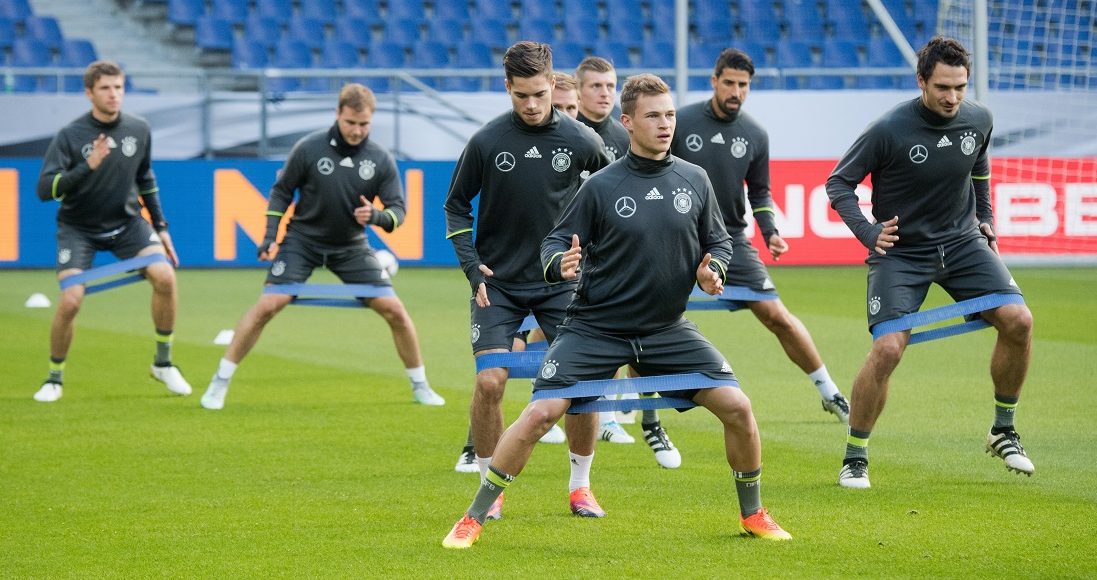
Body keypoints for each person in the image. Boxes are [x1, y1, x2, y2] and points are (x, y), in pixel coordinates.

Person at [443, 74, 792, 549]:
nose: (665, 124)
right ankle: (474, 516)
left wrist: (715, 270)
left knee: (738, 407)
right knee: (541, 412)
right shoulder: (601, 186)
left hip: (666, 330)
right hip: (595, 329)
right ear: (626, 122)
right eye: (653, 116)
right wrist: (558, 263)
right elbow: (553, 241)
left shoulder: (695, 179)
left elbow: (719, 241)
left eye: (669, 115)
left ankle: (753, 514)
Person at [825, 37, 1034, 489]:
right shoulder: (887, 129)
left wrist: (985, 217)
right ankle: (855, 456)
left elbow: (979, 167)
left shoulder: (979, 118)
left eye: (960, 87)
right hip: (902, 253)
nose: (953, 97)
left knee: (1019, 321)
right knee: (887, 349)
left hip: (962, 244)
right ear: (921, 81)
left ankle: (1003, 429)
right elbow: (838, 184)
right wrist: (868, 233)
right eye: (942, 87)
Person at [444, 41, 612, 519]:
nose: (533, 105)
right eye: (522, 96)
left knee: (581, 383)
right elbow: (456, 205)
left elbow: (615, 194)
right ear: (507, 88)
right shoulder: (486, 141)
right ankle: (490, 489)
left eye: (540, 94)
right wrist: (470, 264)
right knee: (490, 381)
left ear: (553, 83)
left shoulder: (581, 140)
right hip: (496, 284)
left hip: (560, 284)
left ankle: (580, 487)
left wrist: (599, 258)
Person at [199, 83, 444, 410]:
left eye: (364, 124)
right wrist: (270, 237)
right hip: (302, 242)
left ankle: (420, 386)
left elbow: (398, 211)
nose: (357, 130)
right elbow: (281, 192)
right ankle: (220, 382)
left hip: (351, 247)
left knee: (395, 311)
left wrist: (377, 216)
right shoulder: (309, 148)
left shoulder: (380, 158)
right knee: (268, 305)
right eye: (350, 122)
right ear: (338, 114)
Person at [672, 48, 851, 423]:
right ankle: (640, 410)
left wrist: (770, 232)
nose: (736, 91)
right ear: (714, 81)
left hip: (730, 241)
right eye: (729, 83)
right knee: (649, 313)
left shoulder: (754, 134)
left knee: (777, 315)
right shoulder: (681, 122)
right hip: (678, 238)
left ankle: (829, 391)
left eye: (743, 85)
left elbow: (759, 192)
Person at [33, 60, 190, 402]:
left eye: (118, 87)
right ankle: (54, 378)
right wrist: (86, 167)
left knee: (165, 276)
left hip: (127, 223)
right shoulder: (71, 135)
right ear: (89, 93)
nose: (113, 94)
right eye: (105, 88)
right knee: (71, 299)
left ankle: (163, 363)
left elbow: (146, 179)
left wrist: (161, 227)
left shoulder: (139, 128)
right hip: (78, 228)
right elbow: (44, 190)